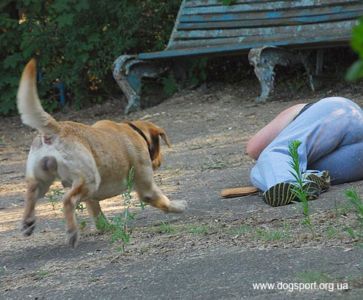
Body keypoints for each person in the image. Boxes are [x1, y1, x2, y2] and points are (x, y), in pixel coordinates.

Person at [246, 96, 363, 207]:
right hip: (356, 160)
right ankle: (307, 178)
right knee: (261, 171)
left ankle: (291, 183)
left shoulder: (297, 110)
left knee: (274, 155)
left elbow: (254, 148)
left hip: (340, 111)